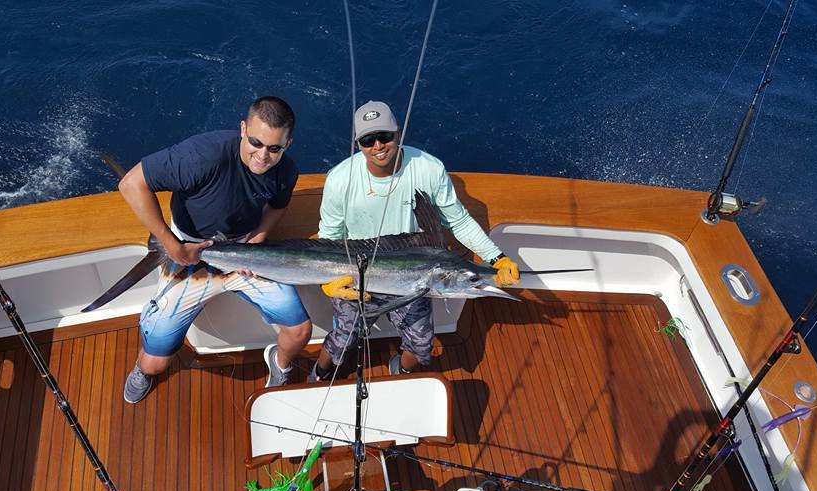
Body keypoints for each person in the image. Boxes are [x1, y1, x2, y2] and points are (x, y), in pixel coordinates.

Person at [119, 96, 313, 403]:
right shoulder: (202, 156)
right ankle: (144, 369)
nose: (263, 155)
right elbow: (131, 183)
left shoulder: (286, 170)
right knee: (154, 364)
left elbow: (278, 207)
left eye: (274, 148)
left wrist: (258, 237)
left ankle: (280, 365)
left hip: (245, 253)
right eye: (255, 142)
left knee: (301, 330)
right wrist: (172, 245)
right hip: (188, 251)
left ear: (287, 144)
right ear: (243, 129)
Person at [312, 100, 520, 381]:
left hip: (414, 278)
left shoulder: (428, 169)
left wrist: (497, 258)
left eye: (384, 136)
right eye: (368, 140)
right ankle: (320, 373)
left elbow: (458, 221)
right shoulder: (340, 179)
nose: (378, 146)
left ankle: (402, 370)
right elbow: (329, 239)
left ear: (397, 133)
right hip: (356, 275)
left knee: (422, 345)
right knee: (342, 339)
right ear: (358, 144)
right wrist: (328, 281)